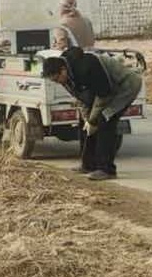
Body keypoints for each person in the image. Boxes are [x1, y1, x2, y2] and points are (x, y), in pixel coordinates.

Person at [43, 47, 141, 181]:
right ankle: (88, 165)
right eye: (54, 81)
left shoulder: (86, 68)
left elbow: (103, 96)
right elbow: (81, 99)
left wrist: (93, 120)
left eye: (57, 78)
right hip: (105, 90)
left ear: (63, 69)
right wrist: (87, 119)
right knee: (85, 125)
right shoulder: (67, 76)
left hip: (124, 87)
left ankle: (106, 169)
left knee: (105, 121)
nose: (57, 82)